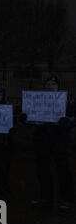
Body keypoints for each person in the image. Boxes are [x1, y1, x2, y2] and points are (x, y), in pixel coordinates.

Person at [21, 73, 75, 212]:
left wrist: (69, 121)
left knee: (63, 171)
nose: (51, 86)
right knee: (43, 171)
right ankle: (46, 199)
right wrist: (24, 118)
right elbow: (29, 119)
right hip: (42, 140)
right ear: (44, 86)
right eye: (48, 84)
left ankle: (68, 200)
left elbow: (73, 118)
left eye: (53, 84)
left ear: (58, 86)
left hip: (59, 140)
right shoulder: (37, 100)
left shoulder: (67, 100)